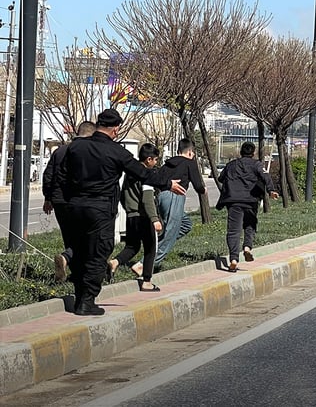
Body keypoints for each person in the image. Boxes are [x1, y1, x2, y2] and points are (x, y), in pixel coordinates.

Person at [57, 108, 184, 315]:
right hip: (100, 210)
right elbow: (143, 173)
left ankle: (80, 295)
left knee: (79, 251)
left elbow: (61, 176)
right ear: (116, 129)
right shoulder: (116, 151)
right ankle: (86, 301)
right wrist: (168, 183)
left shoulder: (75, 147)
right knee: (98, 253)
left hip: (74, 208)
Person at [41, 120, 96, 281]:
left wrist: (48, 197)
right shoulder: (85, 152)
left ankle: (73, 272)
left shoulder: (59, 151)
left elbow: (48, 175)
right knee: (85, 237)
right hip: (77, 200)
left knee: (69, 236)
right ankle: (66, 259)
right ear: (91, 135)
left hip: (58, 201)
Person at [108, 143, 163, 291]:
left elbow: (122, 195)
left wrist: (129, 210)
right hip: (144, 216)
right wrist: (155, 219)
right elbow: (147, 199)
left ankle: (115, 262)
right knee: (151, 248)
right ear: (149, 159)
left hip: (131, 216)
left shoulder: (129, 174)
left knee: (132, 246)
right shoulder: (146, 174)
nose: (156, 163)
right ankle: (147, 281)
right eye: (155, 160)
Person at [217, 142, 279, 272]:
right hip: (251, 201)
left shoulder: (231, 165)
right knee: (250, 225)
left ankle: (233, 259)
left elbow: (221, 178)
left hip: (233, 202)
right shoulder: (256, 164)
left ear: (240, 152)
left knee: (234, 231)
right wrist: (271, 190)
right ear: (253, 153)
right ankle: (247, 248)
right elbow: (265, 176)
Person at [153, 138, 206, 268]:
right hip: (175, 197)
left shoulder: (166, 164)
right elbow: (198, 185)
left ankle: (156, 246)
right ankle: (145, 264)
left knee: (185, 224)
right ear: (189, 152)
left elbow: (157, 180)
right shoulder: (189, 163)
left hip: (162, 197)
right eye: (192, 153)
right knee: (171, 232)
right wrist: (203, 190)